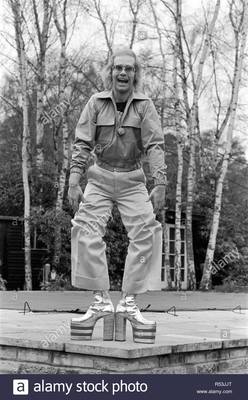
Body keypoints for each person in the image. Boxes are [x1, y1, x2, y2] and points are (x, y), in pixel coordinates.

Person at [68, 48, 167, 344]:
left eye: (129, 69)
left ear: (136, 75)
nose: (123, 73)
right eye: (118, 68)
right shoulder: (95, 103)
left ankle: (128, 304)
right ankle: (99, 301)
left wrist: (160, 182)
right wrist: (74, 179)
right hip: (99, 177)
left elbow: (155, 145)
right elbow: (82, 143)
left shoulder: (145, 106)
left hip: (133, 179)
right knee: (84, 229)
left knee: (148, 232)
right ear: (110, 72)